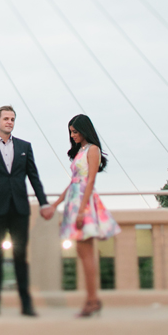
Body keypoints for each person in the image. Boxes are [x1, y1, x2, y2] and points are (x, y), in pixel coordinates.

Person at [0, 105, 50, 317]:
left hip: (19, 209)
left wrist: (44, 203)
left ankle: (26, 304)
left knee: (20, 257)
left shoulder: (25, 146)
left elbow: (34, 177)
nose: (9, 122)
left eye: (12, 119)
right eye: (6, 118)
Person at [42, 114, 120, 317]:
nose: (72, 135)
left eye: (75, 131)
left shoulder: (93, 150)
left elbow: (91, 180)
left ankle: (92, 300)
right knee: (83, 253)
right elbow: (73, 181)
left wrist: (82, 210)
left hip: (83, 203)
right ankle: (92, 299)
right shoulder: (81, 151)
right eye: (70, 132)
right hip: (74, 200)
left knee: (86, 253)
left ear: (84, 130)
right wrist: (56, 204)